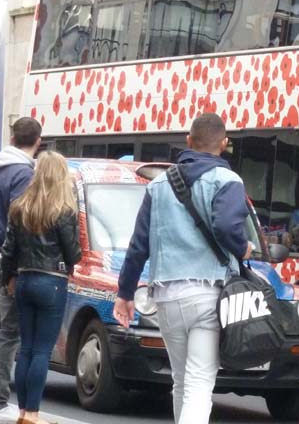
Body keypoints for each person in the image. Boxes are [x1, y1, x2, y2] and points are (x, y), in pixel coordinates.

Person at [114, 113, 253, 424]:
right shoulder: (228, 180)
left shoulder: (159, 185)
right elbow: (226, 226)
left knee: (181, 380)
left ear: (189, 141)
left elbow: (139, 245)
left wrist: (125, 293)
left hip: (166, 295)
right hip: (208, 294)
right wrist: (243, 247)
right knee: (199, 382)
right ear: (224, 144)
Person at [1, 152, 82, 424]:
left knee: (26, 348)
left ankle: (23, 411)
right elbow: (73, 254)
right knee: (42, 350)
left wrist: (9, 278)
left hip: (24, 279)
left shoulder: (20, 206)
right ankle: (33, 414)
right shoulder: (63, 210)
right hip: (52, 281)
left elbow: (8, 250)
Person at [0, 117, 42, 423]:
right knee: (8, 331)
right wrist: (16, 266)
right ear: (37, 142)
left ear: (12, 138)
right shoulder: (24, 174)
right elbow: (19, 223)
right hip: (7, 257)